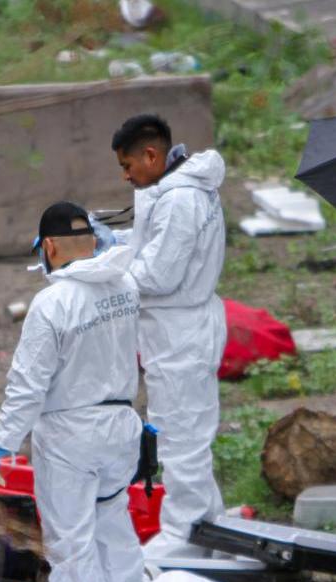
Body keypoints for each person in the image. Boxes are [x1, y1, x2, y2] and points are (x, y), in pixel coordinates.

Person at [0, 201, 153, 582]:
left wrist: (3, 440)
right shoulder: (125, 287)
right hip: (121, 427)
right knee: (113, 525)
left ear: (49, 247)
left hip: (69, 435)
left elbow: (28, 384)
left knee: (72, 540)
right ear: (95, 242)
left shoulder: (52, 303)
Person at [111, 114, 227, 559]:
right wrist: (114, 243)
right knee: (189, 429)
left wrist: (106, 272)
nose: (126, 176)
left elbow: (159, 272)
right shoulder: (180, 190)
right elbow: (154, 242)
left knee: (180, 436)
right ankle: (208, 521)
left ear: (152, 155)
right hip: (181, 328)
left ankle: (185, 532)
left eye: (128, 165)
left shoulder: (181, 199)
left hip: (180, 331)